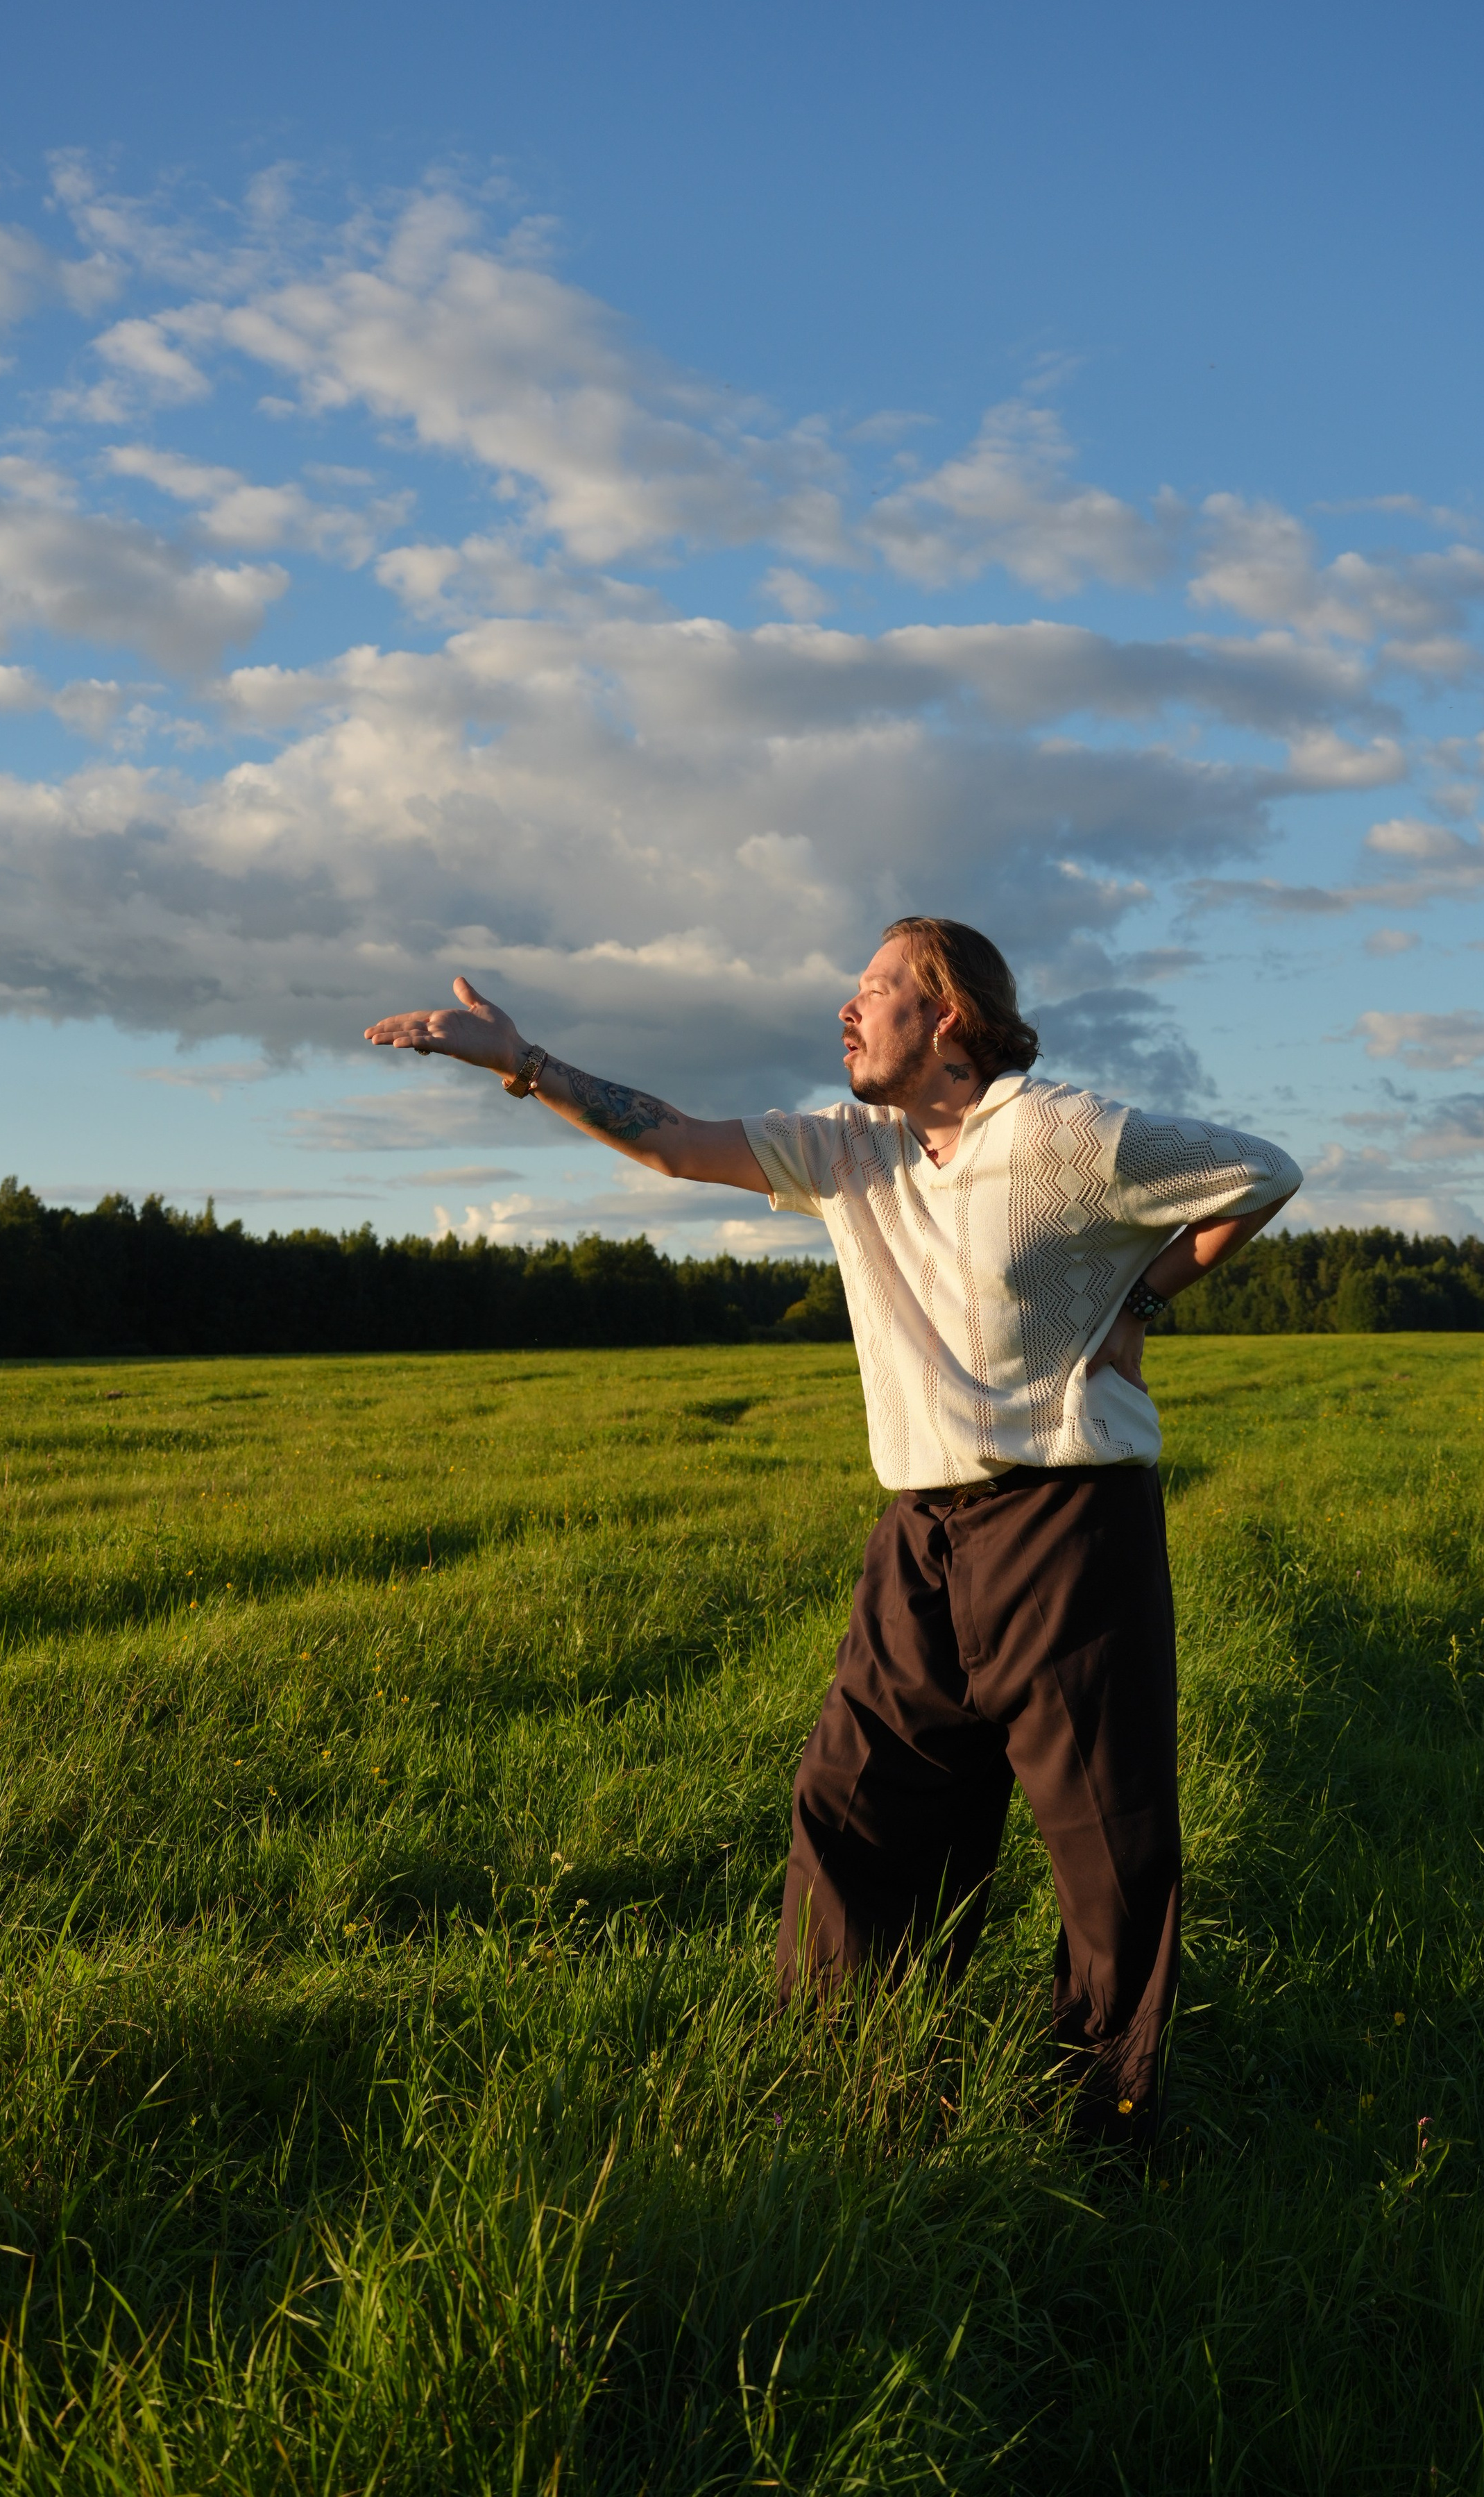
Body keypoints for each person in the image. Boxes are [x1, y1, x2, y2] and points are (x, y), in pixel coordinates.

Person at [364, 918, 1300, 2145]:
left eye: (874, 989)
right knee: (854, 1806)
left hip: (1067, 1525)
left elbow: (1261, 1174)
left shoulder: (1064, 1135)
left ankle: (1100, 2129)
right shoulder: (850, 1150)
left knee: (1104, 1850)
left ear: (949, 1011)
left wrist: (1143, 1299)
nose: (848, 1012)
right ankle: (850, 2079)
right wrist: (524, 1061)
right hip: (919, 1535)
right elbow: (676, 1144)